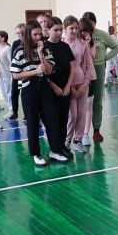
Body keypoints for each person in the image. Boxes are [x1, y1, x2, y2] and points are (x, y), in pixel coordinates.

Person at [11, 20, 66, 165]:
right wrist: (34, 71)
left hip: (45, 88)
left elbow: (49, 70)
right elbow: (15, 75)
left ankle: (55, 151)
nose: (38, 37)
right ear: (28, 35)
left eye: (39, 34)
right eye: (35, 34)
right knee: (33, 123)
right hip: (29, 89)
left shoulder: (45, 49)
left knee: (51, 119)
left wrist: (41, 55)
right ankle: (36, 154)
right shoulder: (20, 51)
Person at [82, 12, 118, 142]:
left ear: (95, 23)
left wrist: (104, 58)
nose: (88, 27)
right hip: (82, 69)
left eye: (91, 24)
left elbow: (116, 47)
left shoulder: (102, 35)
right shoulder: (80, 34)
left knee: (97, 101)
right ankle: (82, 133)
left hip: (97, 67)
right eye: (86, 24)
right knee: (83, 102)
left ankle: (96, 129)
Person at [44, 16, 75, 159]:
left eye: (60, 30)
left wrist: (68, 85)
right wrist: (54, 86)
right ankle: (54, 148)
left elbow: (72, 68)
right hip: (50, 90)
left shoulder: (65, 46)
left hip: (65, 89)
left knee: (64, 119)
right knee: (53, 120)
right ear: (48, 30)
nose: (58, 33)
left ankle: (62, 145)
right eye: (55, 30)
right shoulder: (44, 47)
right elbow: (43, 71)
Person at [63, 15, 95, 153]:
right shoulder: (62, 45)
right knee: (72, 116)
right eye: (71, 28)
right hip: (68, 86)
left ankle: (78, 140)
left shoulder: (82, 44)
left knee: (81, 114)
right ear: (65, 29)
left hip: (82, 84)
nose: (75, 31)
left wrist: (85, 83)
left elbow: (88, 64)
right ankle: (67, 141)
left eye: (76, 28)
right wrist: (69, 87)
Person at [79, 19, 98, 147]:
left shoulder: (91, 44)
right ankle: (75, 135)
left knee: (88, 106)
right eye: (84, 32)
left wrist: (86, 44)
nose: (87, 35)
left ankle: (85, 134)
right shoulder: (73, 43)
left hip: (89, 78)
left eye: (89, 33)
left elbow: (90, 59)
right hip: (76, 79)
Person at [7, 23, 26, 120]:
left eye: (21, 33)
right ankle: (14, 112)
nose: (19, 35)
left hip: (26, 73)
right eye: (17, 33)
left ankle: (27, 114)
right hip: (17, 72)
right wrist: (13, 73)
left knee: (24, 94)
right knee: (14, 92)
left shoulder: (29, 42)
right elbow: (12, 59)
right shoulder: (15, 43)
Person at [0, 30, 13, 120]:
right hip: (0, 75)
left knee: (9, 93)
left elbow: (11, 63)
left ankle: (12, 110)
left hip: (7, 75)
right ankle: (10, 110)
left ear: (3, 38)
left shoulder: (8, 49)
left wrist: (12, 76)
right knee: (4, 93)